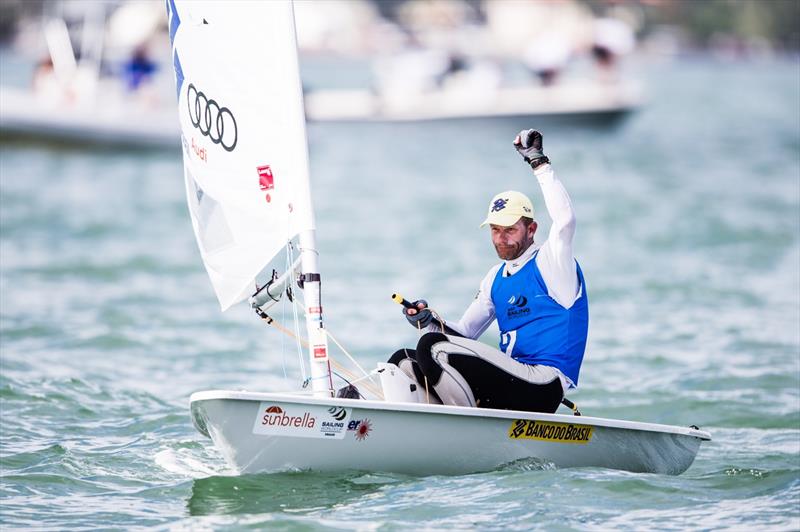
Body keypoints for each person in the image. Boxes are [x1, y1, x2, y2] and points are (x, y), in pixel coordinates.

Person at [387, 129, 588, 413]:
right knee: (405, 361)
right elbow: (464, 334)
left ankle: (466, 426)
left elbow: (565, 220)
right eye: (495, 230)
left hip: (545, 384)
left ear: (531, 229)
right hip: (514, 383)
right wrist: (427, 320)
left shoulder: (552, 262)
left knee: (433, 348)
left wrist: (539, 163)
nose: (501, 238)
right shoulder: (494, 278)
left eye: (510, 230)